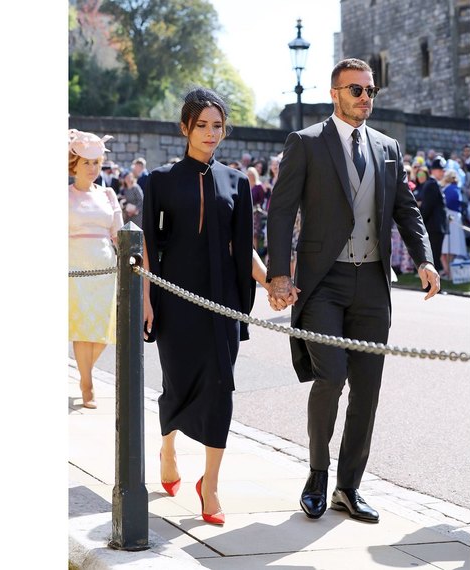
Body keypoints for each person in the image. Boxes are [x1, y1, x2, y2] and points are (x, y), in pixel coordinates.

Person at [266, 58, 439, 524]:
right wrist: (278, 274)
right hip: (323, 282)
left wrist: (424, 259)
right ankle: (317, 475)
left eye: (370, 90)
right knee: (331, 376)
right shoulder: (305, 142)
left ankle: (348, 487)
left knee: (367, 389)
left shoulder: (388, 147)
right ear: (335, 93)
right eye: (356, 90)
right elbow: (281, 211)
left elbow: (407, 209)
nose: (366, 98)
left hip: (373, 286)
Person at [142, 87, 270, 526]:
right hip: (175, 301)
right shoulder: (160, 180)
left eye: (218, 126)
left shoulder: (237, 182)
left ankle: (210, 484)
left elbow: (243, 247)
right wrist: (147, 300)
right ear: (185, 128)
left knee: (220, 388)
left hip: (222, 304)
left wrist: (271, 282)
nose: (211, 133)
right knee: (176, 383)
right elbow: (148, 245)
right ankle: (168, 448)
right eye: (202, 125)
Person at [68, 129, 124, 409]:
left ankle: (85, 373)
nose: (92, 168)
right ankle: (87, 384)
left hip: (105, 271)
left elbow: (119, 234)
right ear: (74, 164)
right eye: (87, 162)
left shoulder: (108, 194)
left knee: (103, 329)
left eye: (96, 163)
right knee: (82, 328)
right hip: (75, 270)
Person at [420, 155, 449, 274]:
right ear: (434, 170)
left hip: (436, 227)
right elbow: (427, 207)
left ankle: (433, 283)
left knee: (435, 256)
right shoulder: (431, 184)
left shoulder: (434, 184)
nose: (443, 172)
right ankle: (431, 283)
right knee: (433, 258)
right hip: (433, 227)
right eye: (441, 170)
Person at [440, 169, 468, 278]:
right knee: (450, 248)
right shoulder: (455, 188)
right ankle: (449, 272)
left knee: (449, 248)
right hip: (454, 218)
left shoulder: (450, 189)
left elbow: (449, 203)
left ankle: (449, 273)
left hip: (451, 219)